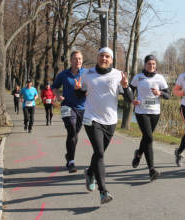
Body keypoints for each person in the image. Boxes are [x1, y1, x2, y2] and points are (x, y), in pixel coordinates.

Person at [76, 47, 133, 204]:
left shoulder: (118, 74)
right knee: (100, 153)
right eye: (101, 55)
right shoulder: (87, 74)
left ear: (111, 59)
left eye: (107, 56)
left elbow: (129, 99)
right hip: (91, 118)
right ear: (97, 57)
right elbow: (81, 94)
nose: (104, 58)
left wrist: (126, 86)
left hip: (111, 121)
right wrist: (78, 90)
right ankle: (103, 192)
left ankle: (89, 172)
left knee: (98, 153)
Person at [130, 55, 169, 181]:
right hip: (141, 111)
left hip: (155, 112)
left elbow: (168, 95)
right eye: (149, 64)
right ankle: (151, 169)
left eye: (153, 64)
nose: (151, 66)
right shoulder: (138, 77)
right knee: (149, 137)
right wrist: (132, 99)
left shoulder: (160, 78)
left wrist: (160, 93)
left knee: (146, 137)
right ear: (145, 65)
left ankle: (139, 154)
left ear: (155, 65)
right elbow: (129, 90)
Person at [52, 50, 86, 173]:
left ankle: (69, 155)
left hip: (82, 108)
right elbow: (54, 87)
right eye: (75, 59)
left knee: (74, 135)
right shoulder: (64, 74)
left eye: (80, 59)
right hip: (67, 107)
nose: (78, 61)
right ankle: (71, 161)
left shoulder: (86, 74)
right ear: (71, 61)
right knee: (71, 129)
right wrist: (58, 96)